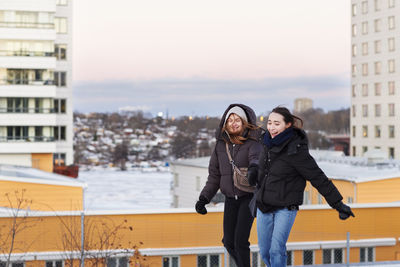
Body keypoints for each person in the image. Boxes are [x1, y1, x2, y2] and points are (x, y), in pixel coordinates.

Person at [251, 106, 354, 267]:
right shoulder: (266, 144)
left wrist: (338, 204)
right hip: (264, 206)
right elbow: (265, 172)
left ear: (288, 125)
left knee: (276, 250)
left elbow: (318, 177)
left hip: (285, 208)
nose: (271, 127)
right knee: (264, 251)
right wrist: (254, 174)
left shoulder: (296, 150)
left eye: (277, 123)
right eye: (270, 122)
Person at [195, 104, 262, 267]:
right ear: (225, 124)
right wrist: (204, 198)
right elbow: (214, 175)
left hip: (248, 197)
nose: (233, 123)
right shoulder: (220, 145)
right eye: (230, 120)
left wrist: (254, 168)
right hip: (230, 199)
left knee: (240, 242)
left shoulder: (253, 141)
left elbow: (256, 158)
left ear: (244, 122)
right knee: (228, 241)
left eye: (237, 119)